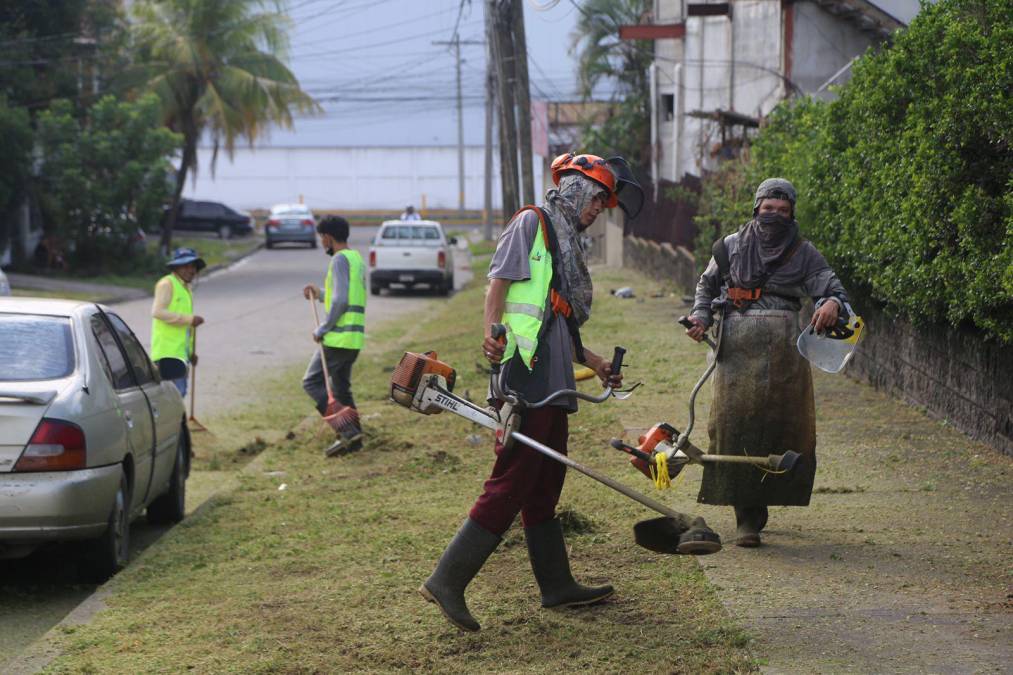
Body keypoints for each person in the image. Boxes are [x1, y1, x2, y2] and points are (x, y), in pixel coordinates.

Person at [420, 153, 643, 633]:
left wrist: (596, 362)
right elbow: (497, 283)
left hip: (553, 375)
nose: (599, 209)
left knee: (545, 478)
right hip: (524, 372)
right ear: (576, 187)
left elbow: (556, 315)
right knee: (515, 476)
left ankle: (556, 584)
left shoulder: (565, 240)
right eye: (598, 198)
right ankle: (448, 580)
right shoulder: (533, 222)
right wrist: (491, 337)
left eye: (605, 203)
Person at [684, 177, 850, 547]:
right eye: (768, 209)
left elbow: (833, 289)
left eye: (783, 210)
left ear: (791, 214)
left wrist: (831, 303)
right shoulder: (727, 247)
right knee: (734, 429)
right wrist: (700, 319)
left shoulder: (805, 253)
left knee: (776, 432)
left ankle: (759, 512)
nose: (774, 215)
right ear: (756, 208)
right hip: (734, 353)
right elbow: (706, 288)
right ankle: (745, 517)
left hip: (785, 355)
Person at [302, 215, 366, 456]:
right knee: (340, 388)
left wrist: (323, 328)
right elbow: (341, 294)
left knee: (311, 382)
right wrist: (319, 293)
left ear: (328, 237)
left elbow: (340, 300)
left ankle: (346, 430)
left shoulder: (339, 260)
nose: (321, 243)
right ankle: (355, 437)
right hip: (353, 339)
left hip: (338, 338)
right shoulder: (355, 258)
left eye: (321, 238)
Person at [151, 247, 205, 396]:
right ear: (176, 268)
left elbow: (187, 329)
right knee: (174, 395)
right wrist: (190, 319)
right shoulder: (166, 284)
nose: (191, 270)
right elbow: (157, 312)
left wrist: (190, 352)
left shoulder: (186, 288)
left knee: (179, 393)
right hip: (167, 352)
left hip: (180, 352)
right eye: (186, 266)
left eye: (193, 266)